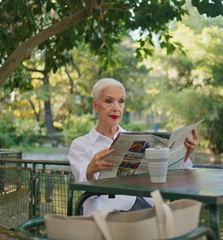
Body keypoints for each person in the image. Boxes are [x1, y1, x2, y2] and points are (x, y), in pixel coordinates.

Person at [68, 78, 199, 216]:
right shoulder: (80, 144)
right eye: (108, 101)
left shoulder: (137, 139)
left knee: (184, 217)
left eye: (121, 101)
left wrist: (185, 154)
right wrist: (90, 172)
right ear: (95, 105)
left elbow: (169, 177)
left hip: (146, 206)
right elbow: (85, 192)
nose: (116, 108)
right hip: (108, 211)